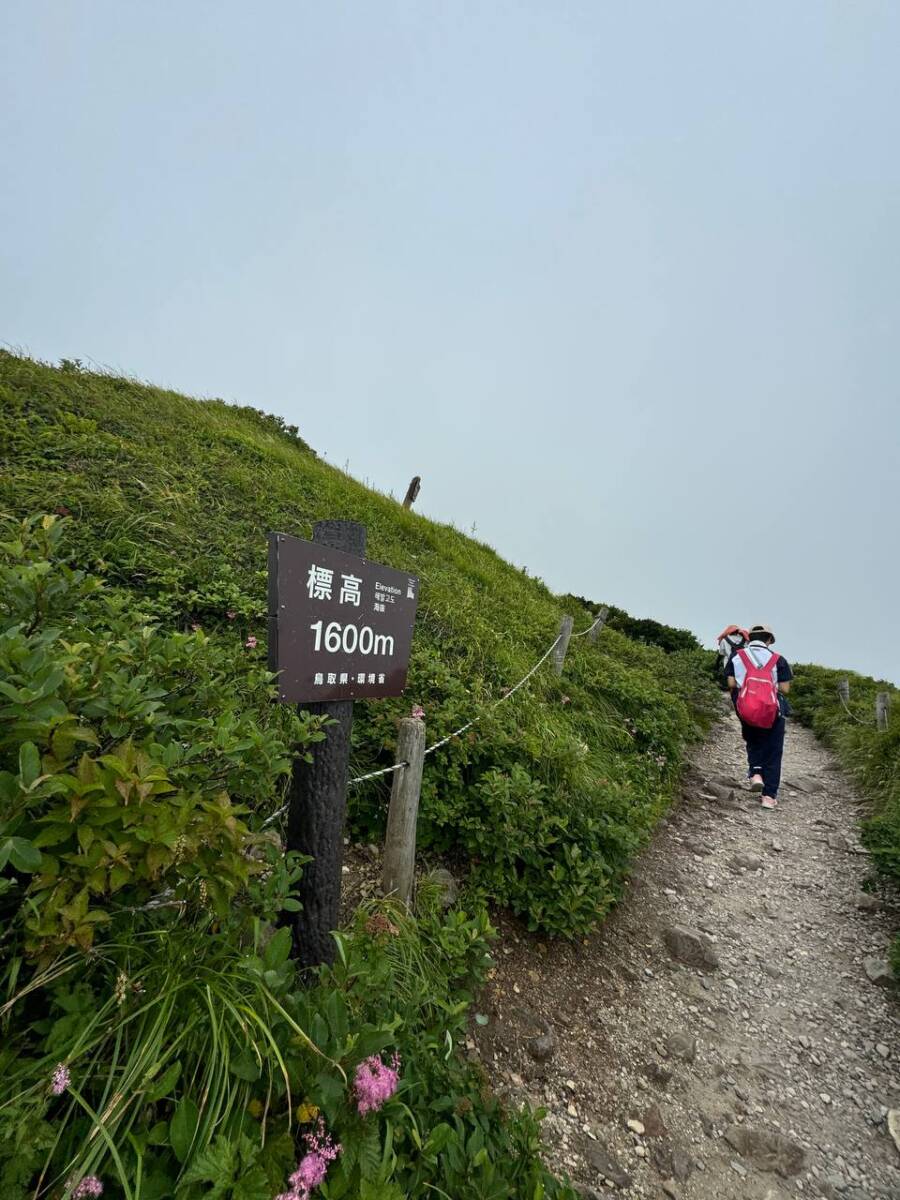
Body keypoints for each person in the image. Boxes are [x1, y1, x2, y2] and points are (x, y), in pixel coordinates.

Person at [726, 623, 793, 810]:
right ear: (769, 640)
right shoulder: (778, 659)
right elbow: (785, 688)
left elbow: (731, 682)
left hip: (747, 708)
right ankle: (769, 797)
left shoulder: (737, 656)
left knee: (753, 739)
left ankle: (755, 773)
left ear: (750, 638)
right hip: (772, 710)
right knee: (773, 750)